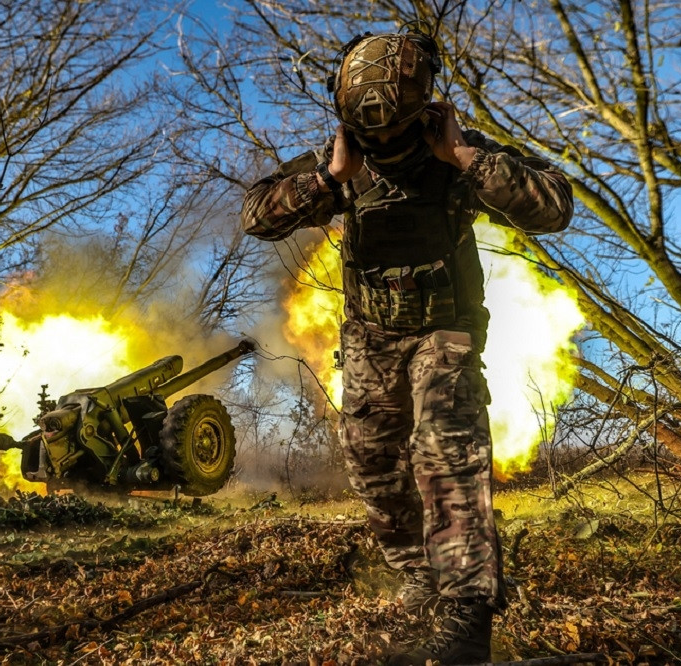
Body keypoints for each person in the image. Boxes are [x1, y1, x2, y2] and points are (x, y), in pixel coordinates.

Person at [241, 29, 572, 664]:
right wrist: (329, 179)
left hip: (445, 331)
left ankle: (467, 615)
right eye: (372, 135)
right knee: (371, 459)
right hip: (370, 336)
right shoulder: (341, 160)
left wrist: (465, 159)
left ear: (424, 112)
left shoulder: (457, 153)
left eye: (396, 132)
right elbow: (256, 215)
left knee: (447, 451)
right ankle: (420, 573)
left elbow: (554, 205)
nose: (386, 146)